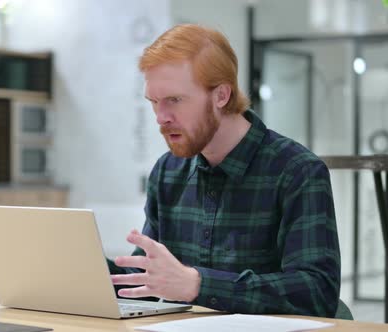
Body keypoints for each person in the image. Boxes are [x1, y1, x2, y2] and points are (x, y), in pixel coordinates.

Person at [107, 24, 341, 318]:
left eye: (174, 100)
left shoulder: (297, 171)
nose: (161, 118)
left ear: (221, 95)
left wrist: (198, 285)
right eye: (153, 102)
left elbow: (317, 292)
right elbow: (147, 278)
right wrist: (82, 270)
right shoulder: (167, 171)